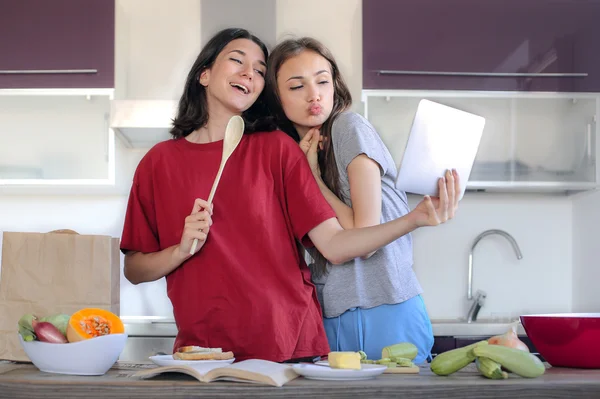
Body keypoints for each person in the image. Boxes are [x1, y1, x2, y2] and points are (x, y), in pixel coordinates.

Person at [120, 28, 458, 363]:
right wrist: (179, 251)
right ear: (204, 74)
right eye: (237, 60)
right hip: (203, 348)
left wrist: (415, 219)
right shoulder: (156, 164)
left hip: (287, 343)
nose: (248, 72)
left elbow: (336, 244)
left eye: (259, 71)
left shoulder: (278, 149)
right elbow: (134, 269)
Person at [265, 37, 461, 364]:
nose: (314, 94)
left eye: (322, 81)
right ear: (277, 98)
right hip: (331, 315)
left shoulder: (349, 127)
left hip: (388, 308)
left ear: (334, 85)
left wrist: (312, 177)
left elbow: (364, 233)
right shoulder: (295, 156)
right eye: (297, 86)